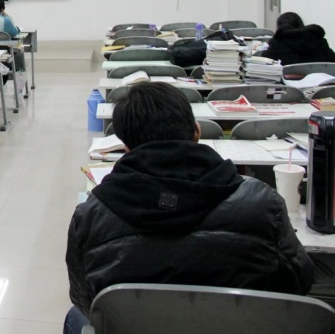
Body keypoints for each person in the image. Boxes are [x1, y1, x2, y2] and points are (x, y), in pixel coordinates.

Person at [63, 82, 314, 334]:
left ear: (124, 146)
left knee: (75, 318)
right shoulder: (262, 202)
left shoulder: (90, 216)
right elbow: (299, 283)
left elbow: (85, 300)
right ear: (196, 131)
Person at [263, 11, 335, 65]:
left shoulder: (277, 44)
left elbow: (265, 60)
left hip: (286, 84)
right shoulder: (319, 41)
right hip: (321, 84)